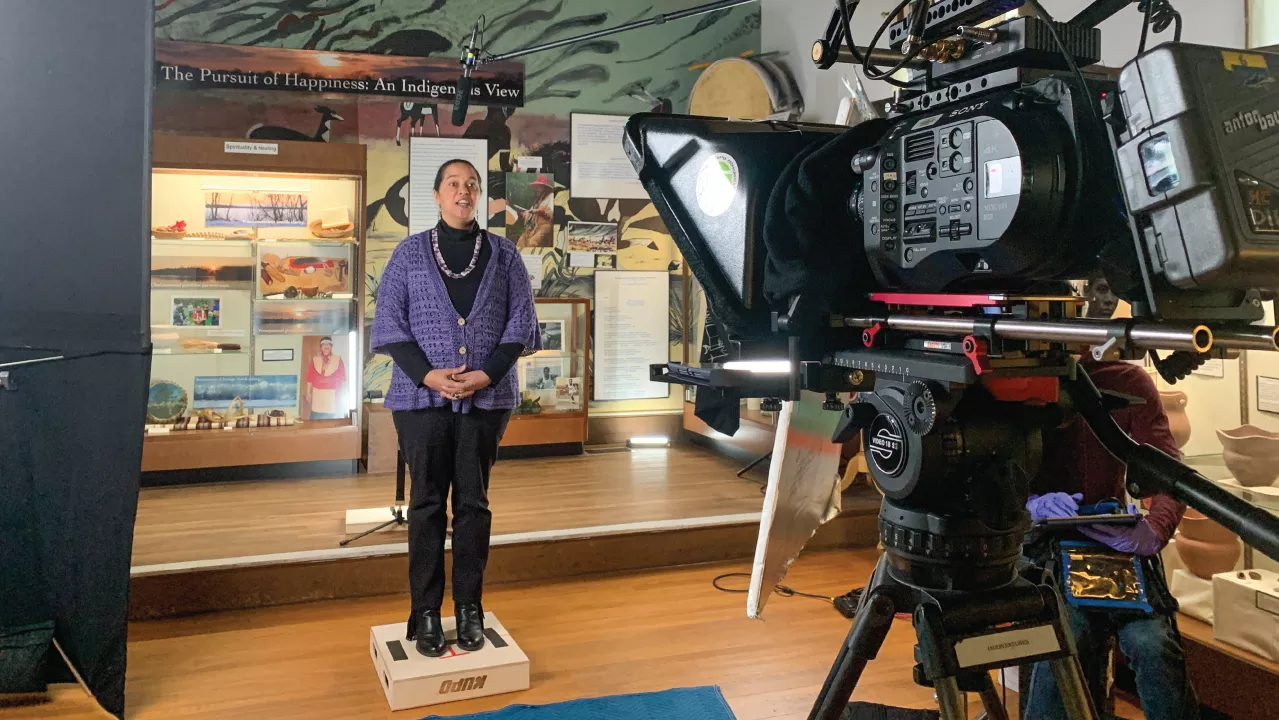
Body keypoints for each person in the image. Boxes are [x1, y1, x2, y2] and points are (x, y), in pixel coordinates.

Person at [371, 159, 540, 657]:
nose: (463, 192)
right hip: (420, 401)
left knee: (473, 504)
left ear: (479, 195)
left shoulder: (505, 255)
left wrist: (487, 373)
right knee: (425, 505)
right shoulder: (407, 254)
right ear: (437, 194)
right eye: (453, 184)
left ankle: (469, 607)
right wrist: (427, 375)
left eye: (471, 185)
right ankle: (425, 611)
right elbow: (390, 326)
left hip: (487, 400)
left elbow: (521, 324)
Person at [1024, 359, 1197, 720]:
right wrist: (1028, 506)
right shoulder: (1014, 381)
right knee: (1067, 638)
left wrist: (1155, 529)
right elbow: (985, 478)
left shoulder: (1127, 381)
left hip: (1113, 542)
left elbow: (1169, 471)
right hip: (1043, 543)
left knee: (1154, 644)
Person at [304, 336, 347, 419]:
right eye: (323, 344)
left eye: (328, 344)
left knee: (330, 420)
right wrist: (308, 393)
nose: (326, 346)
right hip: (317, 394)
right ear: (321, 347)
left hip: (331, 395)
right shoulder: (315, 360)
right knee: (315, 420)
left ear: (331, 346)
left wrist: (343, 394)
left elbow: (343, 379)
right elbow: (310, 377)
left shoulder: (338, 359)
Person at [515, 174, 555, 249]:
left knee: (532, 245)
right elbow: (529, 215)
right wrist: (520, 212)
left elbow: (551, 215)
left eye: (539, 187)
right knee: (520, 244)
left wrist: (538, 211)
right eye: (536, 187)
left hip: (544, 229)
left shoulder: (551, 197)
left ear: (544, 188)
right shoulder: (538, 200)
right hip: (532, 229)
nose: (536, 189)